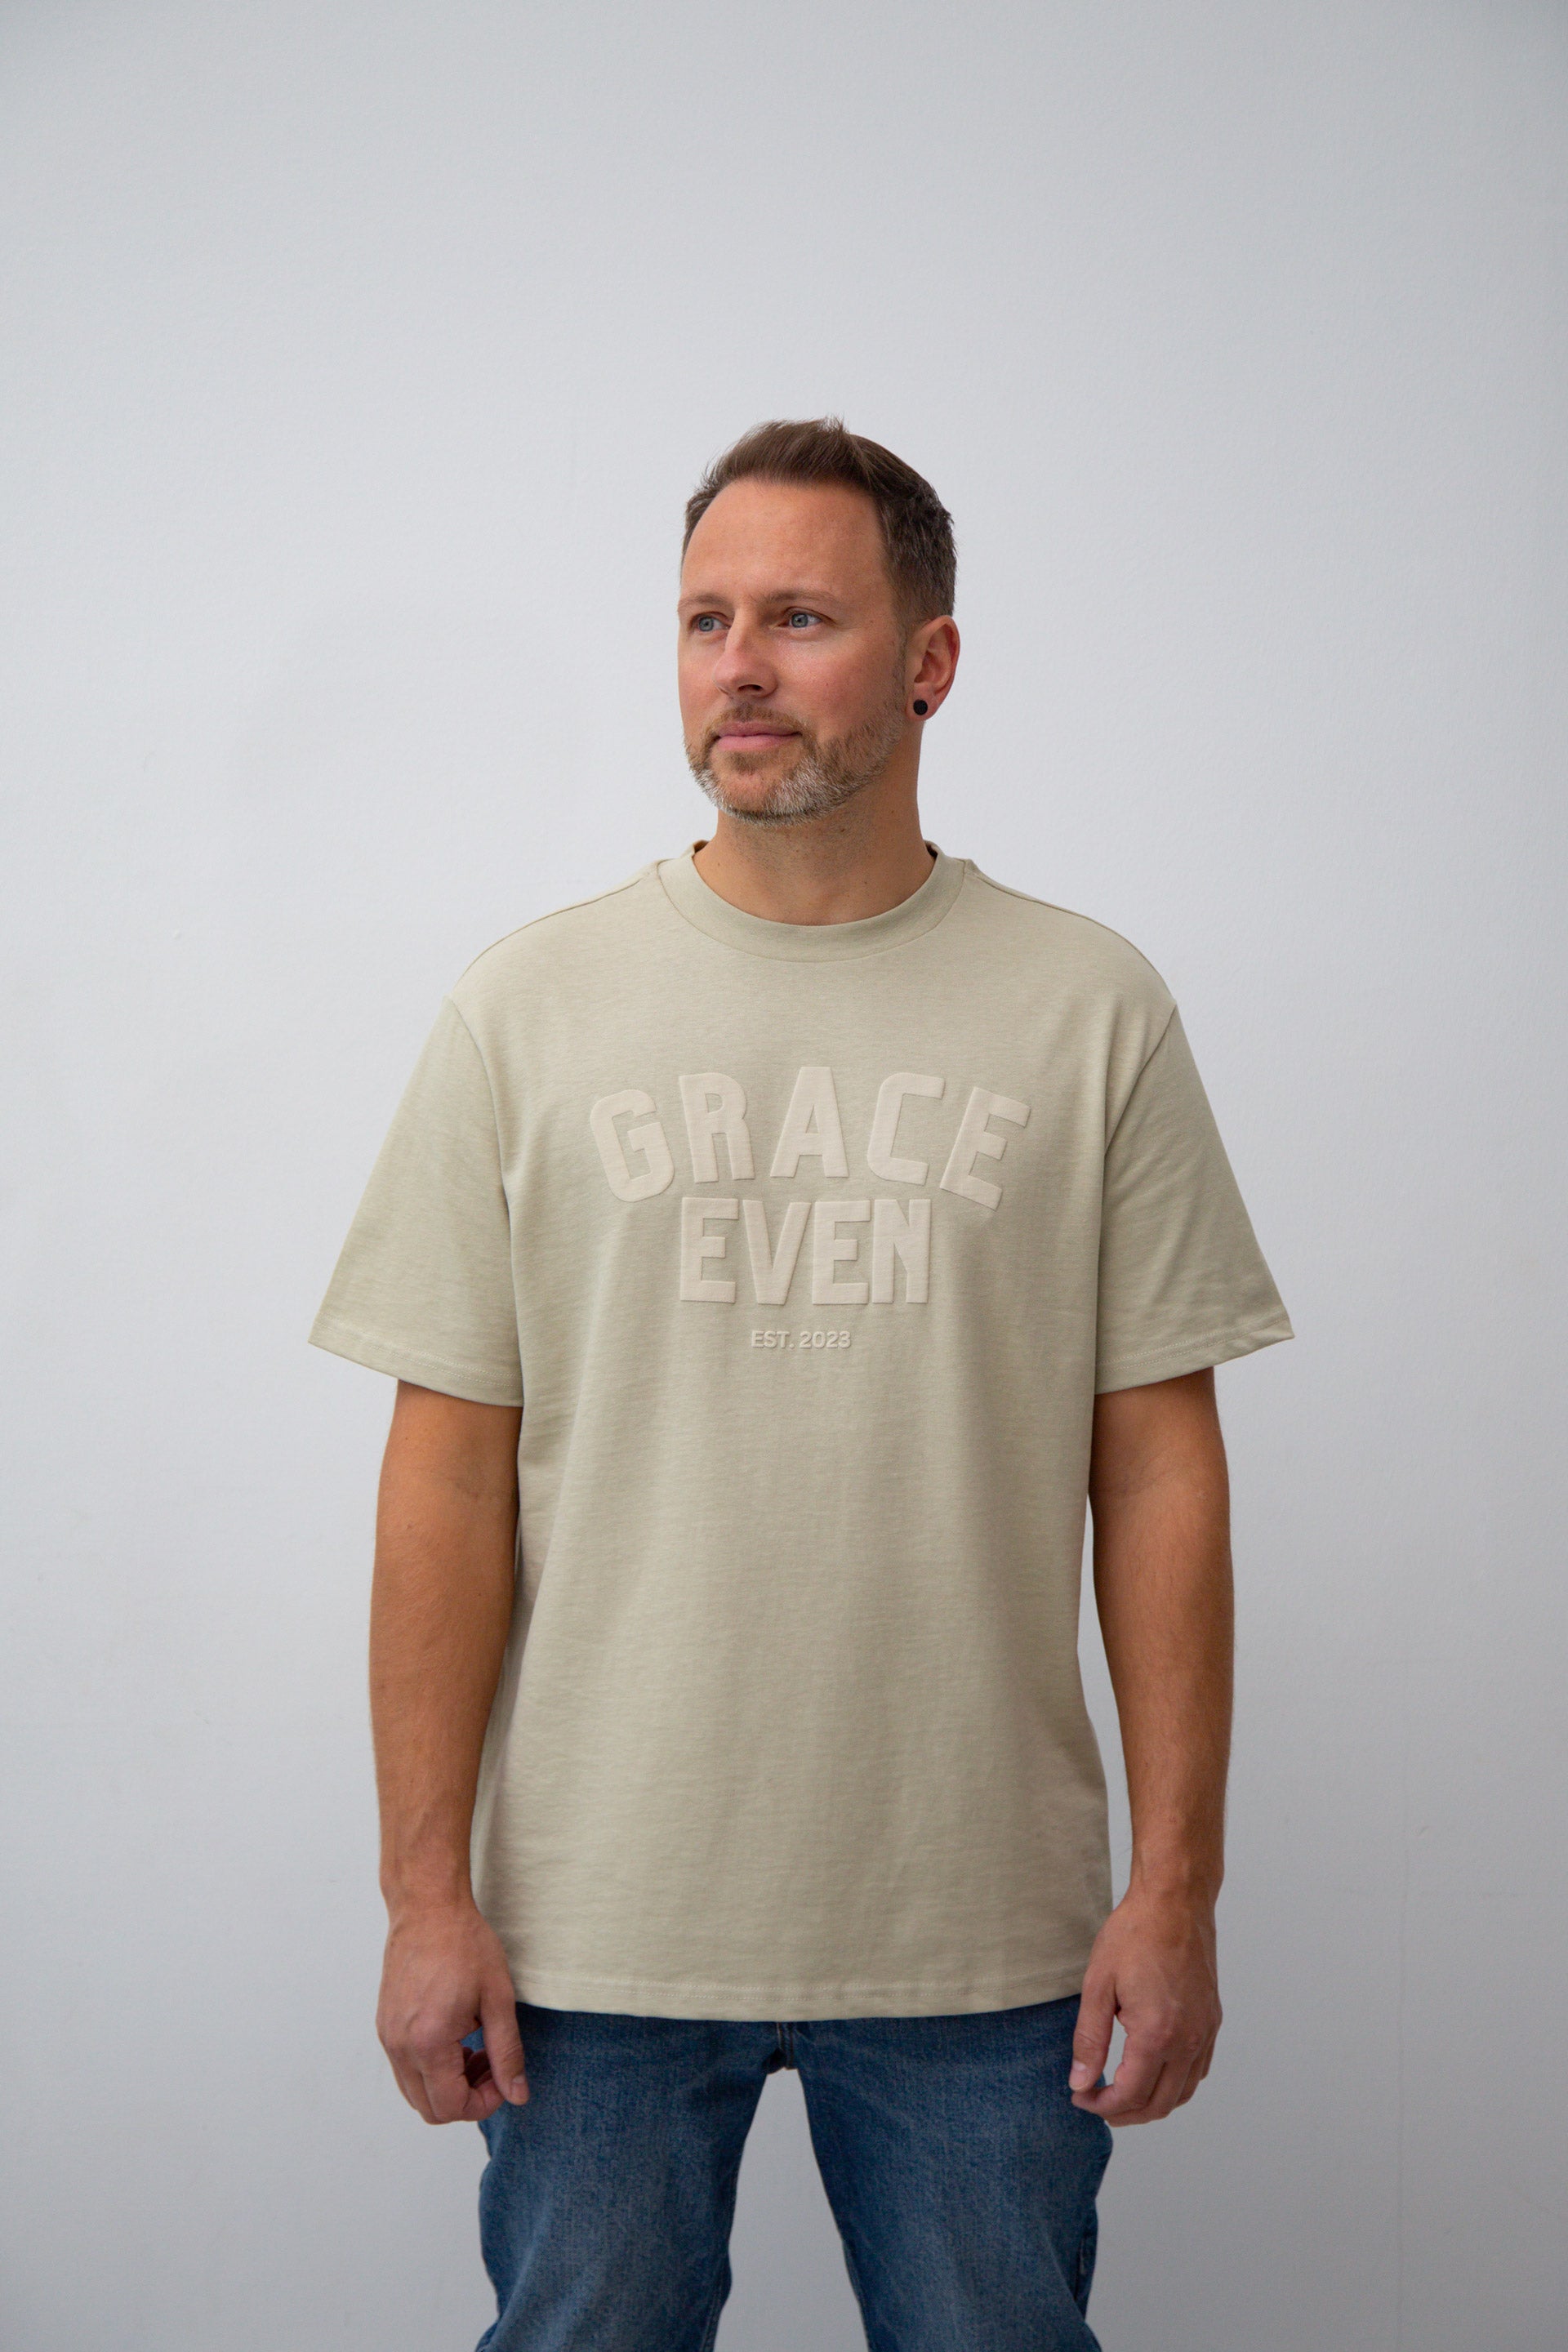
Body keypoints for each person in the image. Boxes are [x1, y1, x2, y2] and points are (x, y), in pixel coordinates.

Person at [310, 416, 1292, 2351]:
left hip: (976, 1927)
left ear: (931, 661)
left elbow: (1163, 1474)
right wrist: (424, 1893)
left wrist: (1175, 1888)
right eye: (705, 620)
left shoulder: (1088, 1010)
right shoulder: (527, 1012)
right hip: (593, 1923)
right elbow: (445, 1478)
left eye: (799, 619)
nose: (737, 667)